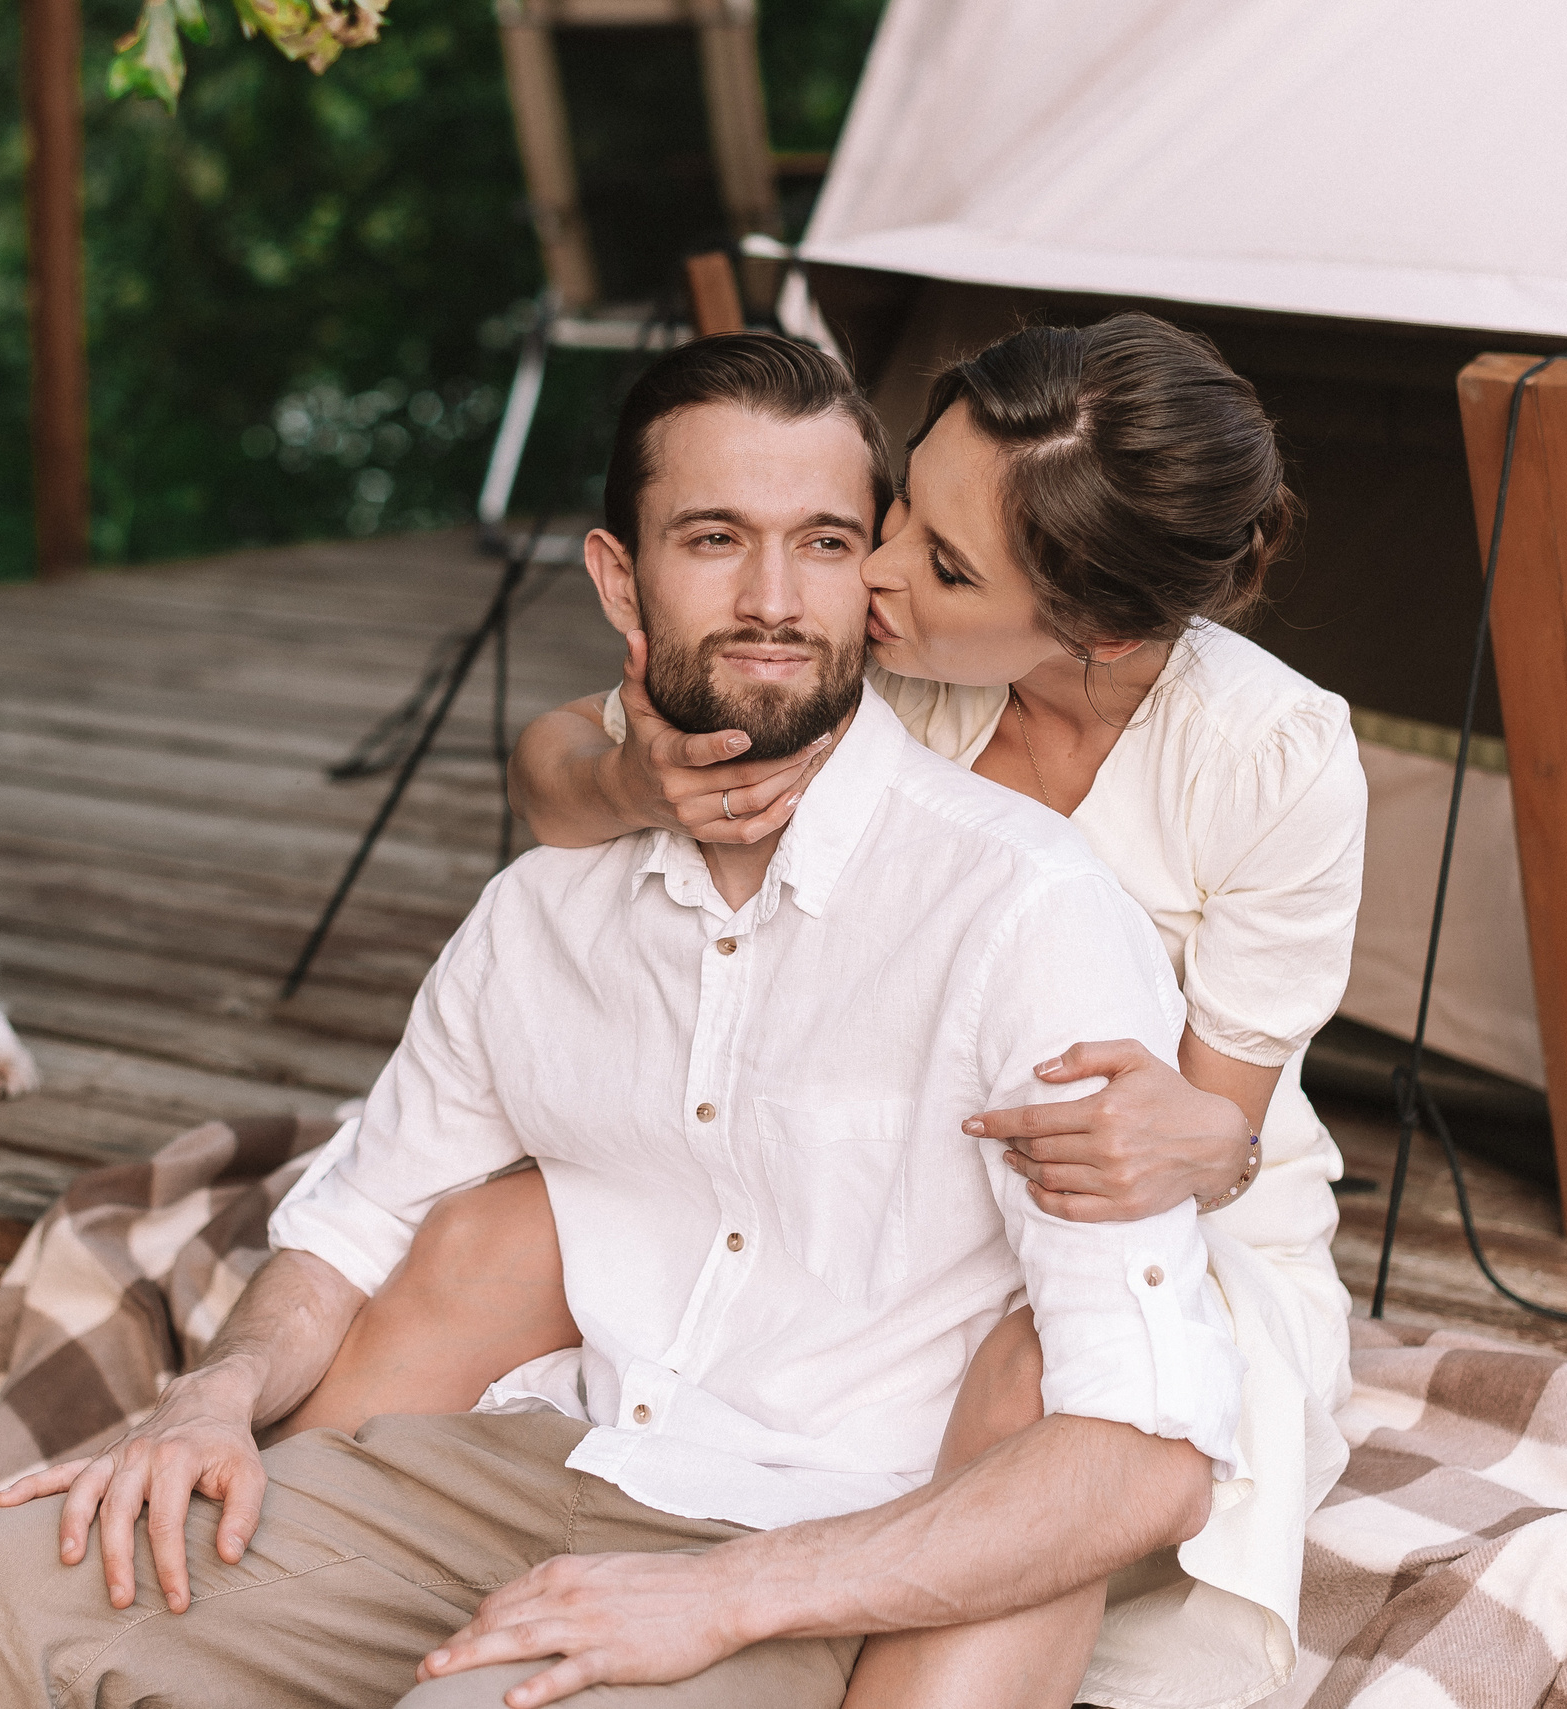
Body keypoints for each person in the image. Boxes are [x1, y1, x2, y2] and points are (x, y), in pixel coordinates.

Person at [0, 332, 1247, 1709]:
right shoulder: (541, 914)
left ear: (872, 574)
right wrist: (214, 1390)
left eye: (827, 543)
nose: (776, 599)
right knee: (12, 1577)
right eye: (716, 539)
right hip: (538, 1459)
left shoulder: (1021, 910)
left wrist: (728, 1592)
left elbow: (1148, 1449)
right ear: (623, 579)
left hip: (804, 1534)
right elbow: (346, 1229)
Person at [283, 315, 1368, 1709]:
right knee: (497, 1220)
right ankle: (268, 1548)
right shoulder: (879, 660)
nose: (880, 572)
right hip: (876, 1163)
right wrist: (640, 786)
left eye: (949, 564)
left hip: (1153, 1207)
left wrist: (1209, 1139)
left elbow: (1215, 1133)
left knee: (1043, 1375)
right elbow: (554, 764)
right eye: (901, 507)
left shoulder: (1271, 759)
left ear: (1094, 627)